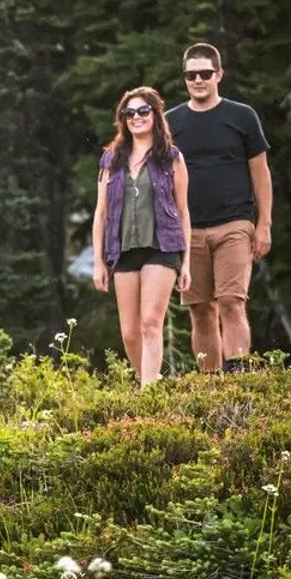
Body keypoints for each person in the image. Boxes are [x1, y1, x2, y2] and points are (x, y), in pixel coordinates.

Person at [166, 43, 272, 373]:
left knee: (231, 302)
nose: (198, 80)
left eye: (205, 74)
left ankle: (238, 374)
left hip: (235, 225)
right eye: (191, 75)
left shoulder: (242, 116)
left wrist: (264, 223)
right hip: (189, 230)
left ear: (219, 75)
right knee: (200, 309)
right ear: (185, 78)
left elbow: (260, 171)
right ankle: (210, 383)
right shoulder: (171, 122)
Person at [92, 88, 192, 386]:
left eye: (143, 111)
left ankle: (149, 395)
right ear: (123, 119)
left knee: (151, 323)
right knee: (130, 333)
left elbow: (184, 211)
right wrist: (98, 262)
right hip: (123, 249)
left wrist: (186, 263)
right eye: (129, 113)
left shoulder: (172, 158)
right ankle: (149, 380)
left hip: (162, 247)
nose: (136, 117)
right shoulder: (111, 160)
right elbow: (101, 214)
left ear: (155, 115)